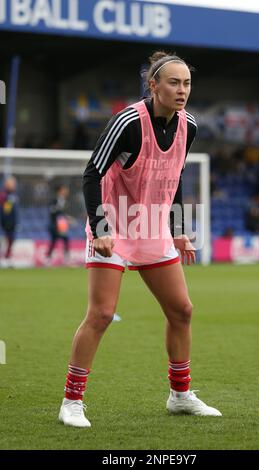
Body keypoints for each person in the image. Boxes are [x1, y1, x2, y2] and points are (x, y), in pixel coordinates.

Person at [58, 51, 222, 427]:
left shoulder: (189, 126)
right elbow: (91, 174)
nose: (182, 90)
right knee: (100, 314)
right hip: (114, 227)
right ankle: (71, 401)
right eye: (174, 83)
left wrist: (179, 230)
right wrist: (100, 229)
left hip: (153, 228)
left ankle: (180, 396)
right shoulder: (128, 121)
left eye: (187, 83)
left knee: (182, 310)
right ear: (154, 85)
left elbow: (176, 177)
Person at [46, 185, 70, 264]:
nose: (66, 192)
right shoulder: (54, 200)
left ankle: (66, 259)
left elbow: (64, 214)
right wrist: (58, 209)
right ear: (59, 191)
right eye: (64, 190)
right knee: (54, 241)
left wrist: (68, 219)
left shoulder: (65, 201)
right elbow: (52, 211)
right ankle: (48, 259)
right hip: (54, 225)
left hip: (62, 226)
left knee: (65, 239)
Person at [0, 176, 18, 265]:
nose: (14, 185)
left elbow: (13, 210)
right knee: (7, 239)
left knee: (11, 239)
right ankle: (5, 258)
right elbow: (6, 210)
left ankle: (8, 258)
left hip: (12, 221)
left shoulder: (13, 195)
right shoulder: (4, 195)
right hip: (5, 221)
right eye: (12, 183)